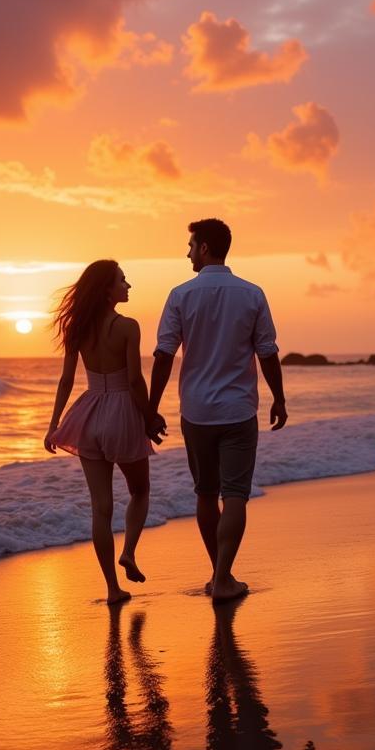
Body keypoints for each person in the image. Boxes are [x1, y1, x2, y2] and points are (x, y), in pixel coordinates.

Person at [148, 218, 287, 604]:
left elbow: (163, 355)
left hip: (197, 412)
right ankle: (223, 575)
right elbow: (267, 352)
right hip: (239, 409)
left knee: (207, 494)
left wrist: (151, 407)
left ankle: (219, 574)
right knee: (236, 495)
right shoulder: (252, 293)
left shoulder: (180, 295)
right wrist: (279, 397)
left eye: (191, 245)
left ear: (205, 247)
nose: (188, 252)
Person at [44, 259, 153, 604]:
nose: (128, 285)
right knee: (140, 490)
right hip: (121, 413)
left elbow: (65, 380)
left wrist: (54, 424)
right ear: (108, 290)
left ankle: (112, 589)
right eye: (122, 280)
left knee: (100, 507)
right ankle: (129, 553)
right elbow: (134, 379)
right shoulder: (127, 326)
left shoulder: (77, 327)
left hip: (88, 413)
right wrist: (149, 415)